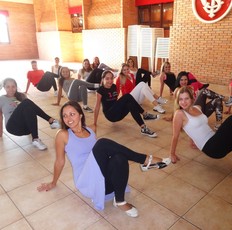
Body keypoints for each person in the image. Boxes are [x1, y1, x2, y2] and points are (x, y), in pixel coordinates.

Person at [37, 101, 171, 217]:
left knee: (119, 157)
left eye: (72, 114)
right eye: (64, 116)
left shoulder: (91, 130)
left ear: (80, 115)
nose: (68, 118)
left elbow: (101, 157)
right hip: (87, 182)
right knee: (102, 143)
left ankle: (120, 201)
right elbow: (60, 161)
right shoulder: (63, 135)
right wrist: (53, 182)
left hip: (104, 182)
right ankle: (145, 160)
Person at [94, 70, 159, 138]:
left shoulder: (114, 86)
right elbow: (97, 107)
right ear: (102, 79)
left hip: (118, 114)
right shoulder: (100, 90)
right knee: (127, 96)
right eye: (107, 79)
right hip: (110, 115)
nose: (110, 81)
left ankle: (143, 128)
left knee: (130, 103)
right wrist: (94, 123)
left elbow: (116, 100)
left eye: (111, 78)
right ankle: (145, 114)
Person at [0, 78, 60, 150]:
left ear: (16, 87)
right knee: (26, 102)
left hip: (26, 129)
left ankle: (35, 139)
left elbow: (30, 113)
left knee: (28, 106)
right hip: (12, 127)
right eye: (8, 87)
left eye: (13, 86)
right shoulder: (2, 99)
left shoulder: (21, 96)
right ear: (4, 88)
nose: (11, 89)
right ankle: (51, 120)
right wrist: (0, 133)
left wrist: (32, 129)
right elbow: (0, 116)